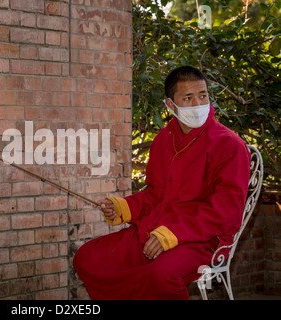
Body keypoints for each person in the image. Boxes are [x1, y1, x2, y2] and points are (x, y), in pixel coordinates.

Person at [73, 66, 251, 300]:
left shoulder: (229, 145)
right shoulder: (163, 141)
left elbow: (225, 211)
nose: (198, 103)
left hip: (204, 239)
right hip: (156, 229)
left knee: (160, 274)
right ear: (170, 105)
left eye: (203, 95)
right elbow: (156, 195)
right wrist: (123, 207)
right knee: (88, 258)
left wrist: (173, 234)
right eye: (188, 98)